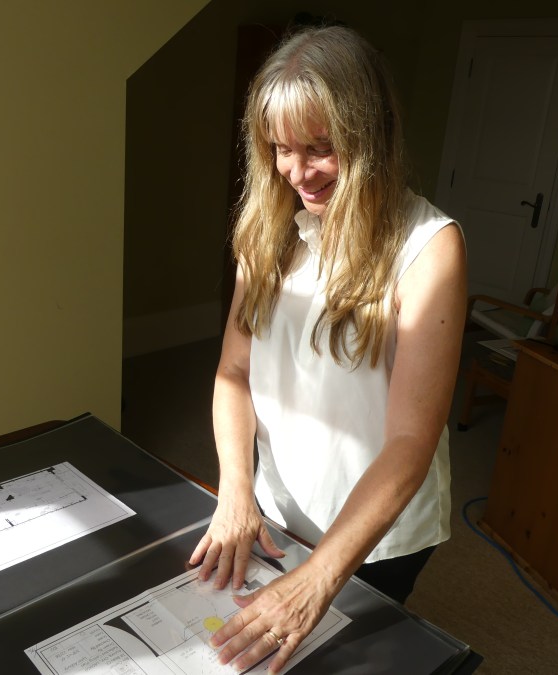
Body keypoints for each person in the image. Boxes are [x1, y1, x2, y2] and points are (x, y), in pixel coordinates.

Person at [188, 24, 467, 674]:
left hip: (378, 531)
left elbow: (411, 441)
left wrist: (317, 580)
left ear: (372, 137)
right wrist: (235, 491)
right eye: (281, 149)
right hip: (277, 504)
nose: (297, 172)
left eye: (320, 149)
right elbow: (234, 371)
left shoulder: (429, 248)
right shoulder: (267, 228)